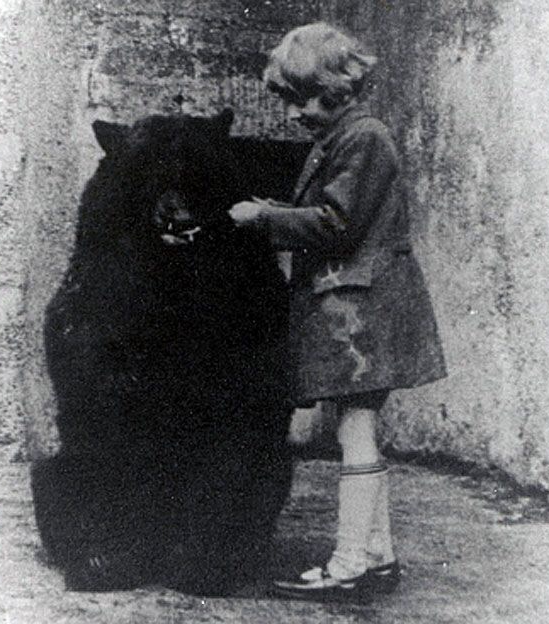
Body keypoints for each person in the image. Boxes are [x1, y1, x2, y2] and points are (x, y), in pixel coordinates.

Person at [229, 22, 447, 602]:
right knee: (360, 429)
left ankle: (349, 564)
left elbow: (337, 223)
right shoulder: (347, 135)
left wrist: (264, 218)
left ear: (333, 88)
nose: (293, 114)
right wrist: (278, 209)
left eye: (300, 100)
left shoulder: (364, 138)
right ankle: (377, 556)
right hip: (357, 309)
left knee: (356, 430)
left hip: (363, 311)